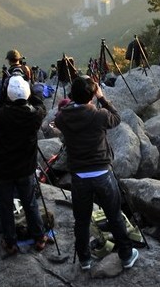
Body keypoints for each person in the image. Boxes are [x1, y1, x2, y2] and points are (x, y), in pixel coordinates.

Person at [54, 75, 139, 271]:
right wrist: (102, 98)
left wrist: (73, 102)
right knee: (114, 216)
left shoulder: (62, 118)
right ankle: (126, 256)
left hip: (79, 177)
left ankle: (84, 259)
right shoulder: (99, 115)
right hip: (102, 174)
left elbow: (60, 117)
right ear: (92, 96)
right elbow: (117, 118)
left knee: (82, 220)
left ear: (72, 95)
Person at [0, 75, 50, 257]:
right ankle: (39, 237)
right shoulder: (35, 115)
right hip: (26, 168)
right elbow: (41, 105)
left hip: (3, 169)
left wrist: (2, 93)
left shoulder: (0, 115)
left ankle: (10, 241)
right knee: (30, 203)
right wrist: (28, 91)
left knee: (5, 205)